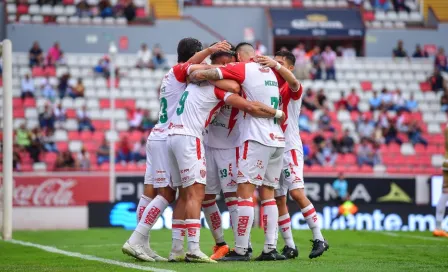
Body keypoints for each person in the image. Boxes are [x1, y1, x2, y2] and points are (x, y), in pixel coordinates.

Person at [122, 39, 232, 263]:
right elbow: (199, 70)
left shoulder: (172, 75)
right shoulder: (181, 70)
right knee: (168, 195)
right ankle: (137, 239)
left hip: (160, 135)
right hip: (168, 137)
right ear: (195, 54)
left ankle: (147, 244)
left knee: (152, 193)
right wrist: (219, 60)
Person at [189, 43, 288, 261]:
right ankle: (268, 247)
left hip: (249, 140)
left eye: (233, 60)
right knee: (267, 194)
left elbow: (225, 82)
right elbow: (293, 84)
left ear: (240, 56)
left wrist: (195, 72)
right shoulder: (270, 71)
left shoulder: (244, 70)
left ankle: (243, 248)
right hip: (274, 137)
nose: (231, 64)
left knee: (241, 194)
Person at [258, 51, 328, 259]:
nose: (274, 65)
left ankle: (319, 238)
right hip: (273, 147)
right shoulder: (270, 87)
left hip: (290, 148)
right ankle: (289, 245)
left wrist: (275, 65)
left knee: (296, 193)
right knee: (279, 199)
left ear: (289, 68)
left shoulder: (292, 87)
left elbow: (296, 83)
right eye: (273, 62)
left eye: (279, 63)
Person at [434, 126, 448, 237]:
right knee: (445, 193)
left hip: (446, 161)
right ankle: (438, 227)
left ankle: (438, 227)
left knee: (445, 193)